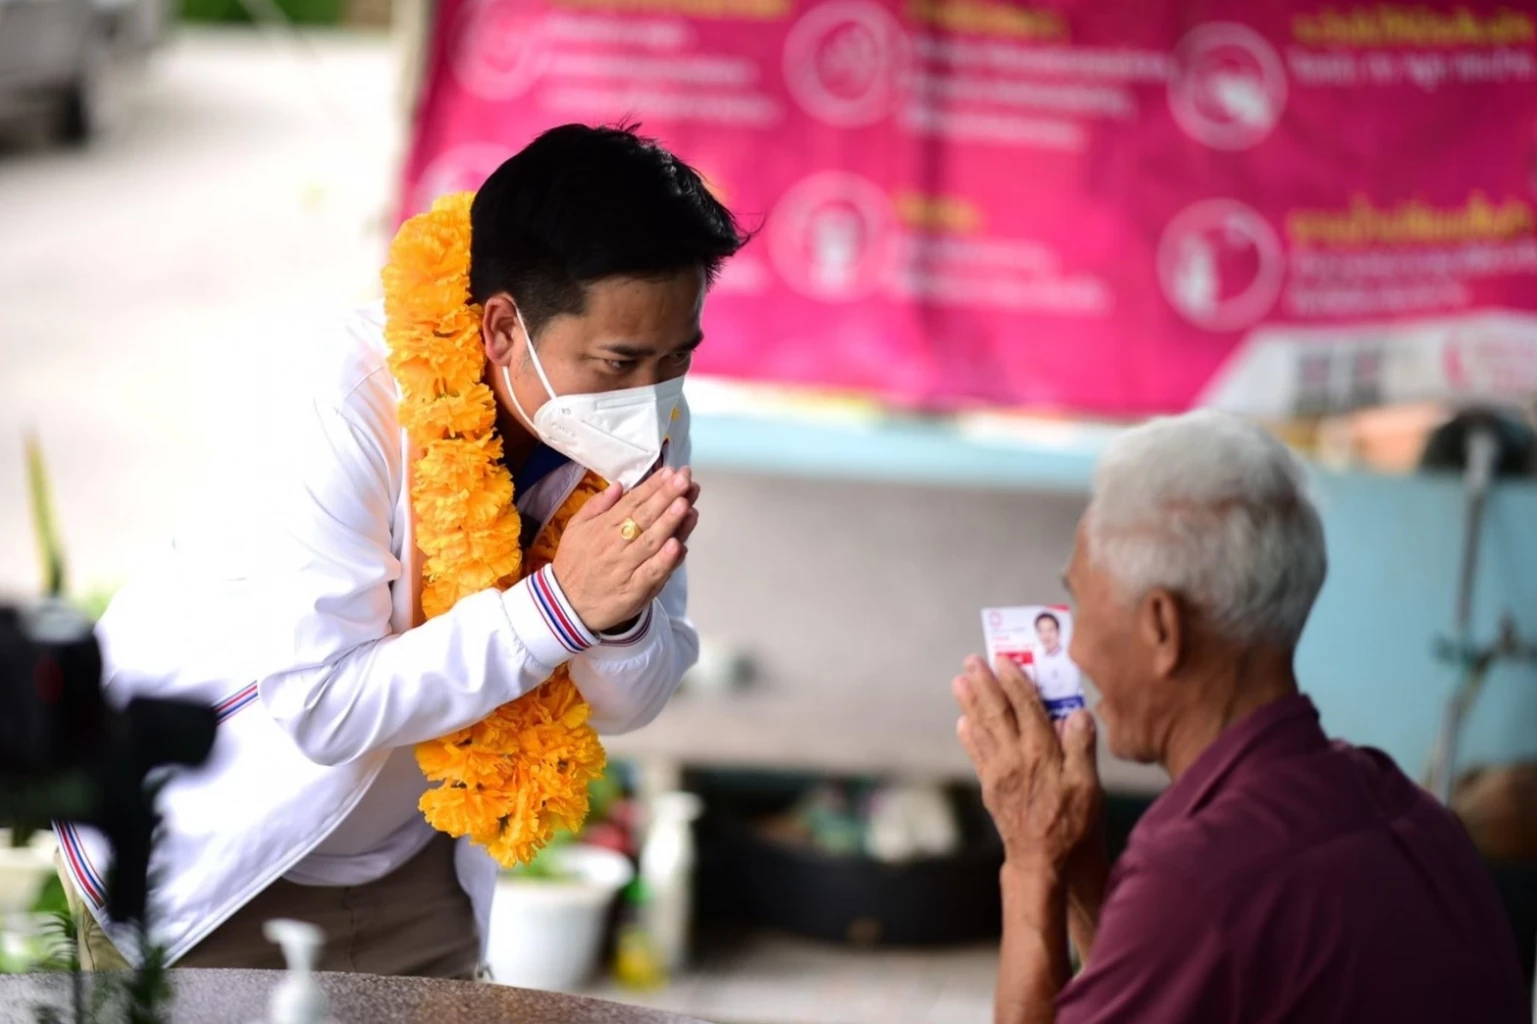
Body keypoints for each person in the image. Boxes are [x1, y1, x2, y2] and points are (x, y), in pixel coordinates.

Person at [55, 124, 747, 976]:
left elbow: (627, 704)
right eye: (618, 361)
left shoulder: (644, 416)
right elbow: (323, 707)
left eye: (676, 358)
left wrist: (619, 610)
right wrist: (560, 608)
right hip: (214, 858)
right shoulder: (343, 399)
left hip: (416, 867)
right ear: (500, 330)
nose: (650, 399)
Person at [952, 410, 1527, 1024]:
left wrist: (1032, 862)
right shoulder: (1410, 812)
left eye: (1079, 605)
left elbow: (1199, 922)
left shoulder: (1201, 878)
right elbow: (1156, 986)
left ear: (1162, 629)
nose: (1075, 650)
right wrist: (1078, 860)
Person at [1029, 612, 1081, 711]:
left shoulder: (1070, 659)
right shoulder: (1038, 660)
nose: (1046, 636)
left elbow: (1069, 695)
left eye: (1050, 630)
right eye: (1041, 631)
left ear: (1058, 632)